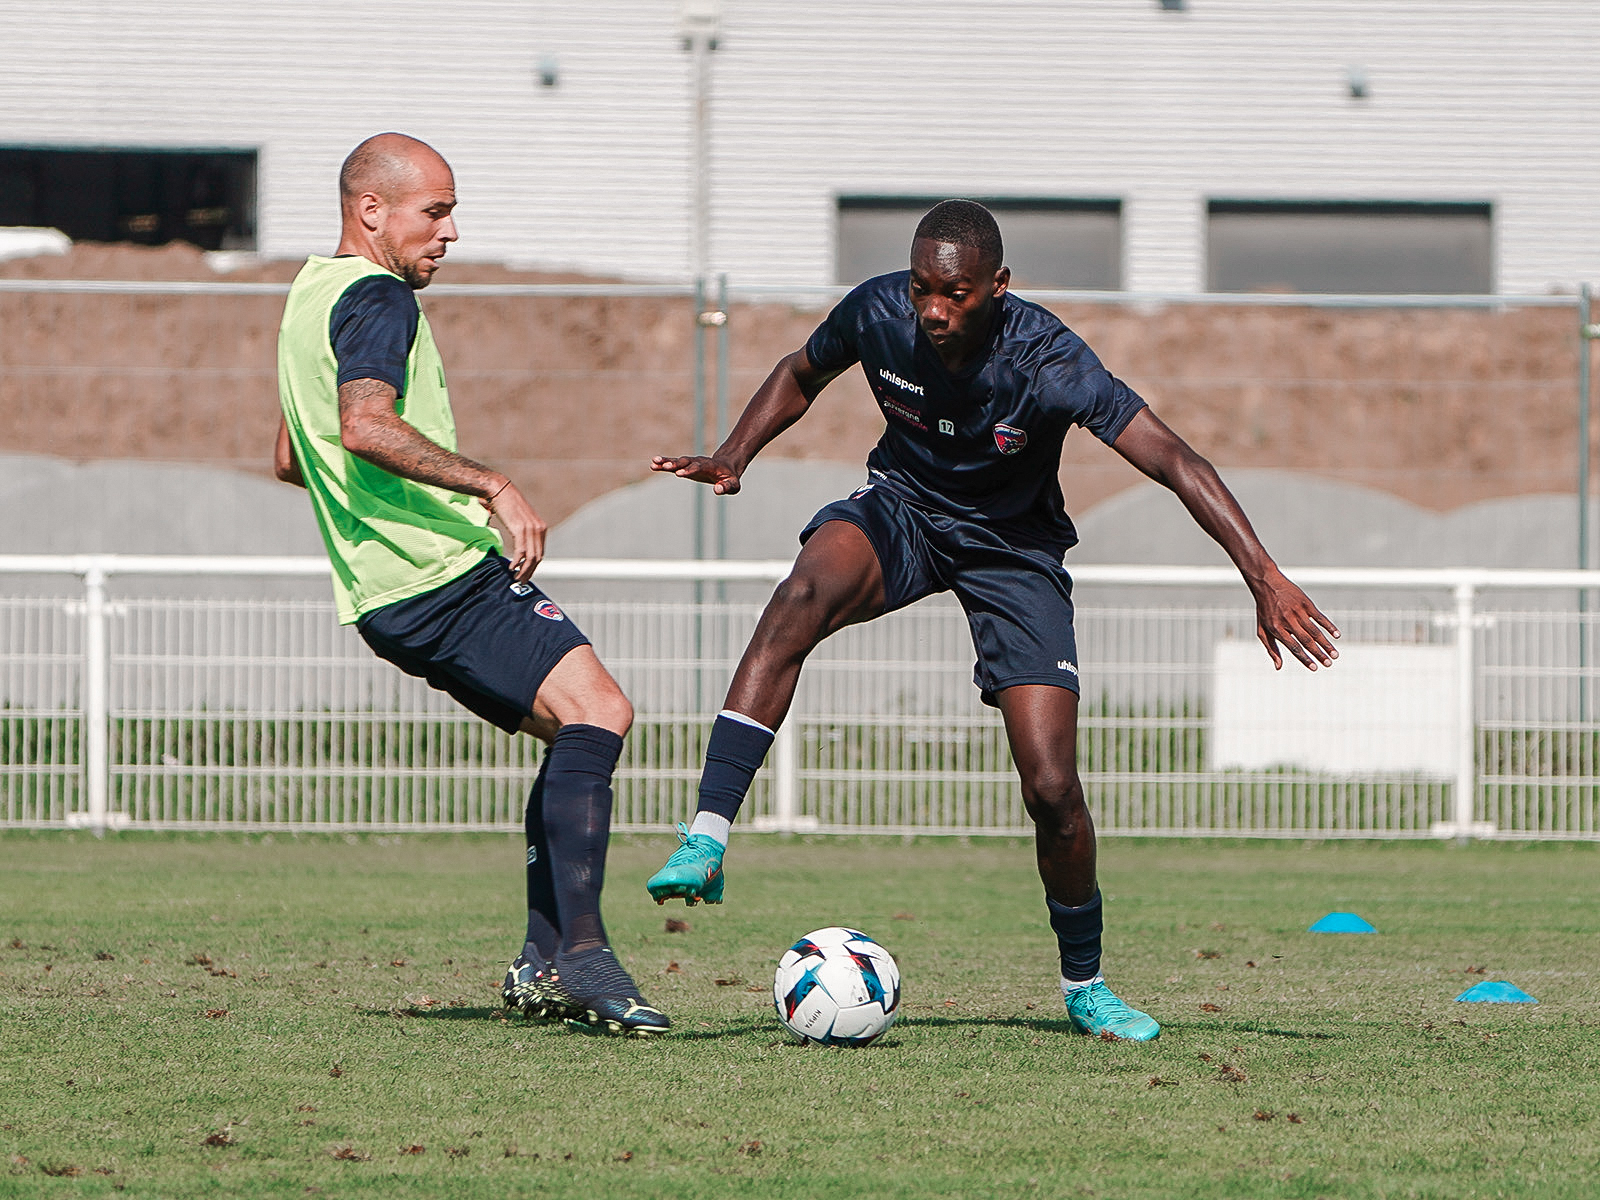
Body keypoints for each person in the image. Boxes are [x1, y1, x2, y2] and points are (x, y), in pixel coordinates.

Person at [645, 200, 1339, 1041]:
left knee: (1052, 788)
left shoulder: (1048, 359)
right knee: (797, 598)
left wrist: (1262, 575)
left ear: (997, 287)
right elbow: (801, 369)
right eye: (923, 289)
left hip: (1015, 551)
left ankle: (1085, 985)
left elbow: (1172, 457)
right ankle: (707, 834)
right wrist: (733, 454)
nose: (934, 310)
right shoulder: (878, 312)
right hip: (903, 511)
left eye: (957, 293)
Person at [274, 132, 667, 1037]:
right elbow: (365, 427)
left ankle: (541, 964)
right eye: (435, 211)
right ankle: (581, 952)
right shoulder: (376, 296)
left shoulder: (307, 296)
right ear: (372, 211)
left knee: (576, 729)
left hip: (385, 592)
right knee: (601, 712)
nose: (449, 231)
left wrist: (355, 501)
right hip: (439, 574)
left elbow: (293, 455)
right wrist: (493, 485)